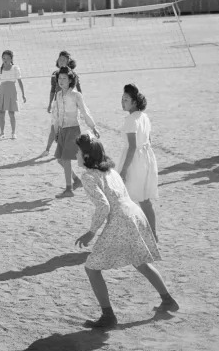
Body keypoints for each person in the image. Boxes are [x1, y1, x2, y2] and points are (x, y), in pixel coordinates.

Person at [74, 134, 178, 329]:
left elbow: (103, 206)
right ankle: (168, 300)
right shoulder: (110, 170)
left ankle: (108, 316)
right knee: (140, 262)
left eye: (78, 152)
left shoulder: (88, 176)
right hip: (134, 214)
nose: (76, 155)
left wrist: (91, 232)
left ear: (87, 157)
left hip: (120, 220)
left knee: (92, 268)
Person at [116, 84, 159, 239]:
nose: (122, 102)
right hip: (146, 158)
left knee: (127, 199)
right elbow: (149, 139)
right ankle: (153, 234)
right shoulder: (144, 116)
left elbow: (132, 147)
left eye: (126, 99)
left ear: (134, 102)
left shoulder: (130, 121)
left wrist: (124, 170)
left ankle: (130, 236)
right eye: (122, 99)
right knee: (145, 199)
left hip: (134, 161)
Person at [51, 67, 99, 198]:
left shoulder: (76, 95)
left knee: (66, 159)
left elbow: (84, 111)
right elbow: (57, 115)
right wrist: (56, 131)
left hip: (73, 129)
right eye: (59, 78)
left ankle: (69, 189)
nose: (61, 81)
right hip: (62, 130)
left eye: (64, 78)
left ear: (70, 80)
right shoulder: (58, 95)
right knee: (60, 159)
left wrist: (93, 127)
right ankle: (76, 180)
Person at [44, 51, 82, 155]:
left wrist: (79, 106)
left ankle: (71, 150)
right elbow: (52, 90)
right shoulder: (54, 74)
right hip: (57, 104)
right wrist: (49, 104)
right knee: (54, 127)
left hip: (70, 106)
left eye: (64, 60)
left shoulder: (73, 75)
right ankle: (47, 149)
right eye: (60, 59)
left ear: (68, 61)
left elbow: (79, 91)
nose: (61, 61)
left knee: (68, 129)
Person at [0, 50, 26, 140]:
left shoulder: (15, 68)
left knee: (11, 113)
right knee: (1, 113)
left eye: (7, 58)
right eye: (3, 58)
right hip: (2, 91)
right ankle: (2, 133)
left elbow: (19, 81)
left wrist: (23, 94)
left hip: (11, 91)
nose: (5, 60)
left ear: (11, 58)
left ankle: (13, 133)